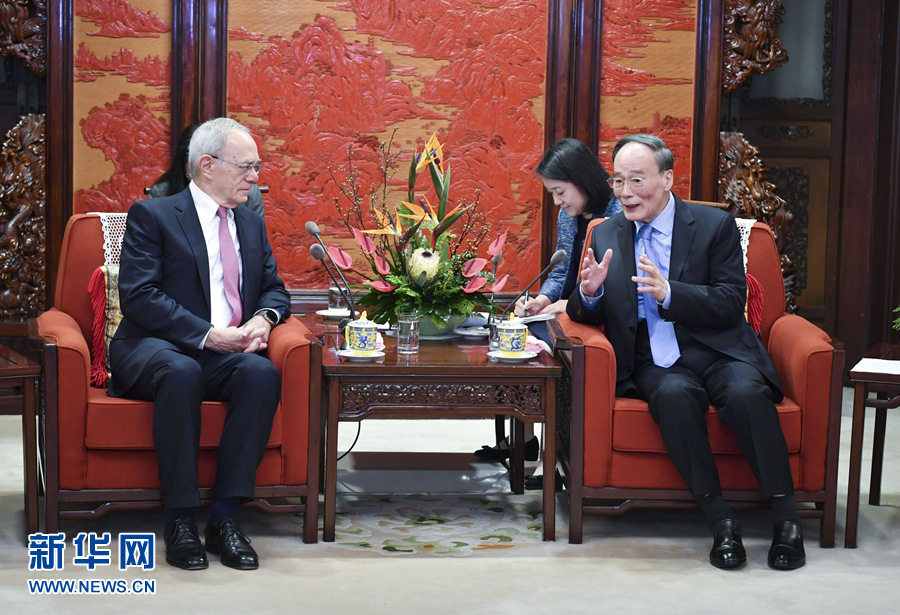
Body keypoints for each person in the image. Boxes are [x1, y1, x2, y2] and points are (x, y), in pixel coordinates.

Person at [567, 133, 805, 571]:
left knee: (747, 395)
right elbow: (581, 311)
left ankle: (787, 519)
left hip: (719, 349)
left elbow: (731, 301)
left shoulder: (713, 226)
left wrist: (671, 293)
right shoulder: (607, 233)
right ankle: (721, 520)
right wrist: (590, 292)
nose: (625, 192)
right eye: (618, 181)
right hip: (654, 359)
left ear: (667, 179)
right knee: (674, 396)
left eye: (636, 180)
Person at [109, 117, 290, 571]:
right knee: (182, 371)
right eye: (246, 166)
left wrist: (264, 319)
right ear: (207, 165)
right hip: (154, 347)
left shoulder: (250, 224)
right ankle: (180, 520)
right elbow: (139, 296)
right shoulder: (154, 215)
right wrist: (208, 334)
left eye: (257, 166)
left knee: (261, 374)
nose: (255, 177)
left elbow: (275, 289)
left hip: (225, 353)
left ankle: (225, 518)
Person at [474, 138, 620, 466]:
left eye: (559, 191)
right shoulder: (569, 215)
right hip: (566, 312)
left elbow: (612, 286)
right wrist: (540, 301)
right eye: (552, 193)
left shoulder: (617, 214)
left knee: (533, 349)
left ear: (582, 180)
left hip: (596, 316)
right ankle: (522, 441)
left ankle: (545, 454)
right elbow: (561, 273)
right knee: (512, 336)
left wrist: (566, 305)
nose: (556, 201)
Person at [149, 124, 266, 219]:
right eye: (244, 166)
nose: (254, 177)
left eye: (254, 166)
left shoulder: (249, 196)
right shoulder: (162, 194)